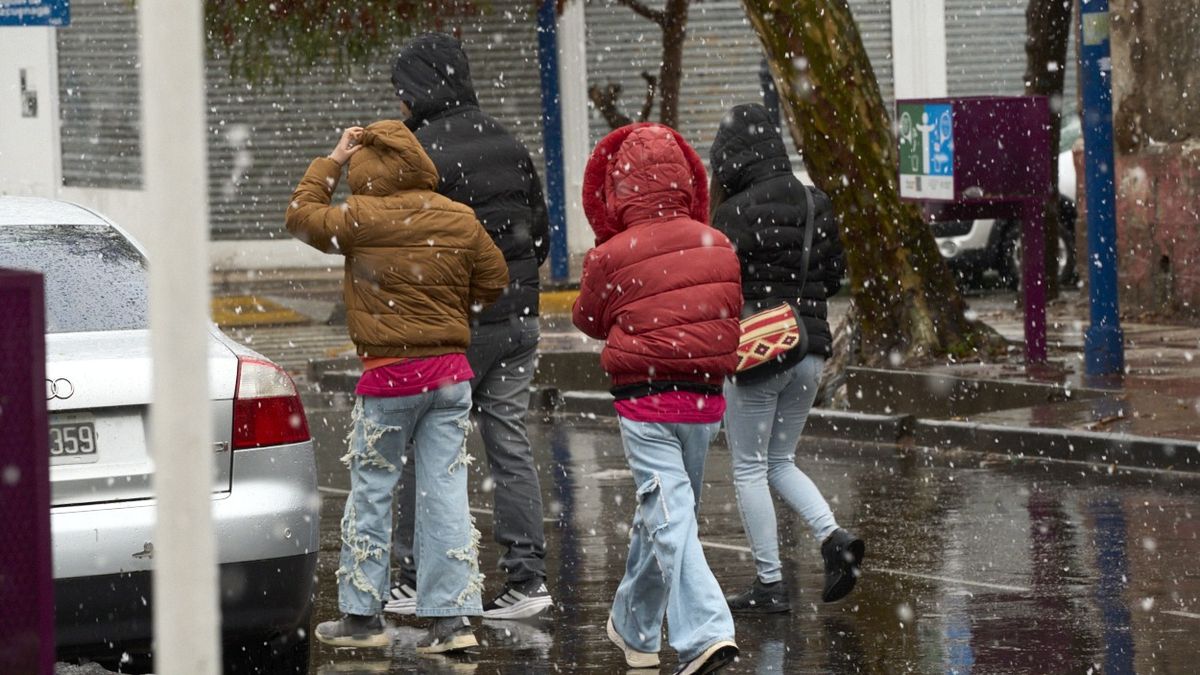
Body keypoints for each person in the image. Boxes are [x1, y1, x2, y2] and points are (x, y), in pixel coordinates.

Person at [286, 121, 509, 651]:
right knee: (447, 496)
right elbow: (496, 280)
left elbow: (299, 216)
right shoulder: (459, 217)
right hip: (451, 377)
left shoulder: (361, 218)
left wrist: (334, 158)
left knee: (372, 494)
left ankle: (362, 618)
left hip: (389, 377)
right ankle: (452, 623)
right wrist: (454, 308)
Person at [385, 32, 554, 620]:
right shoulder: (509, 142)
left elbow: (403, 244)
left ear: (420, 90)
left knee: (424, 444)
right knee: (509, 446)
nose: (400, 104)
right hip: (518, 320)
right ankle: (527, 579)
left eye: (403, 92)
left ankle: (411, 575)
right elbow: (540, 236)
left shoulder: (418, 151)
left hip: (450, 325)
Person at [573, 122, 742, 675]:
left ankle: (686, 632)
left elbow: (589, 320)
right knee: (672, 515)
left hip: (644, 399)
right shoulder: (718, 244)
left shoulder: (612, 256)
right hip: (704, 402)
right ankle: (651, 628)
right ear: (686, 181)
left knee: (668, 519)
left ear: (619, 190)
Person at [708, 103, 864, 613]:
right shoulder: (817, 201)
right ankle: (834, 540)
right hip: (811, 349)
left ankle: (770, 584)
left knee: (750, 466)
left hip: (758, 350)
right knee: (780, 460)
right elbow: (834, 275)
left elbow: (720, 286)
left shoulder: (732, 212)